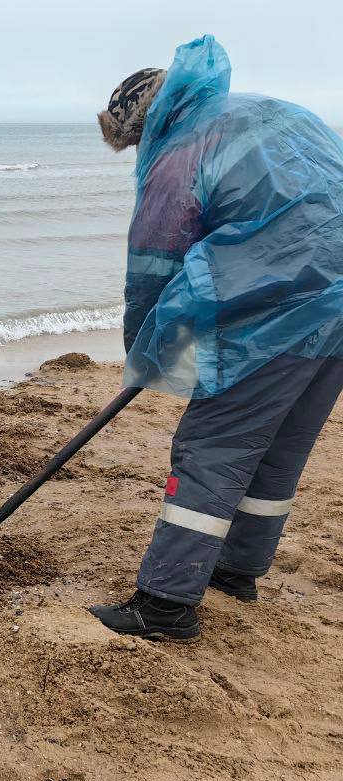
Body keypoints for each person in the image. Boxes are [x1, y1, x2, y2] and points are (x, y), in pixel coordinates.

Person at [88, 36, 343, 642]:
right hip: (339, 305)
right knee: (280, 445)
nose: (136, 156)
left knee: (213, 447)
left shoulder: (180, 152)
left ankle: (165, 605)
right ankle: (237, 572)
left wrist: (144, 351)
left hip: (282, 309)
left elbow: (154, 265)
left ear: (142, 124)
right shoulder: (273, 113)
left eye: (131, 145)